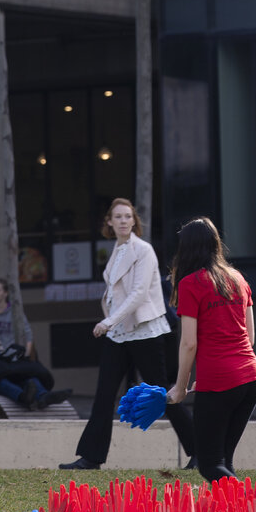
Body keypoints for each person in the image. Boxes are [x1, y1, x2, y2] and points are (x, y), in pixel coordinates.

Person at [60, 197, 195, 472]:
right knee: (104, 394)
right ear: (109, 222)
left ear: (134, 221)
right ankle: (91, 457)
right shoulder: (117, 250)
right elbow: (115, 293)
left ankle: (202, 451)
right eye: (117, 217)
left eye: (127, 216)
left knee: (160, 393)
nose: (123, 221)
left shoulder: (143, 250)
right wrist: (112, 322)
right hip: (120, 333)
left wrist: (108, 321)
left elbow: (138, 294)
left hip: (144, 331)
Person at [166, 217, 256, 481]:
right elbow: (250, 337)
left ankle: (249, 504)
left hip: (220, 381)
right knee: (223, 460)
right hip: (251, 378)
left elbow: (189, 343)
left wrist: (180, 387)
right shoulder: (238, 278)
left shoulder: (190, 284)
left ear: (186, 249)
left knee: (209, 464)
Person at [0, 277, 35, 358]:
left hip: (11, 357)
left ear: (5, 293)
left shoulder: (15, 312)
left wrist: (26, 356)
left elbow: (28, 334)